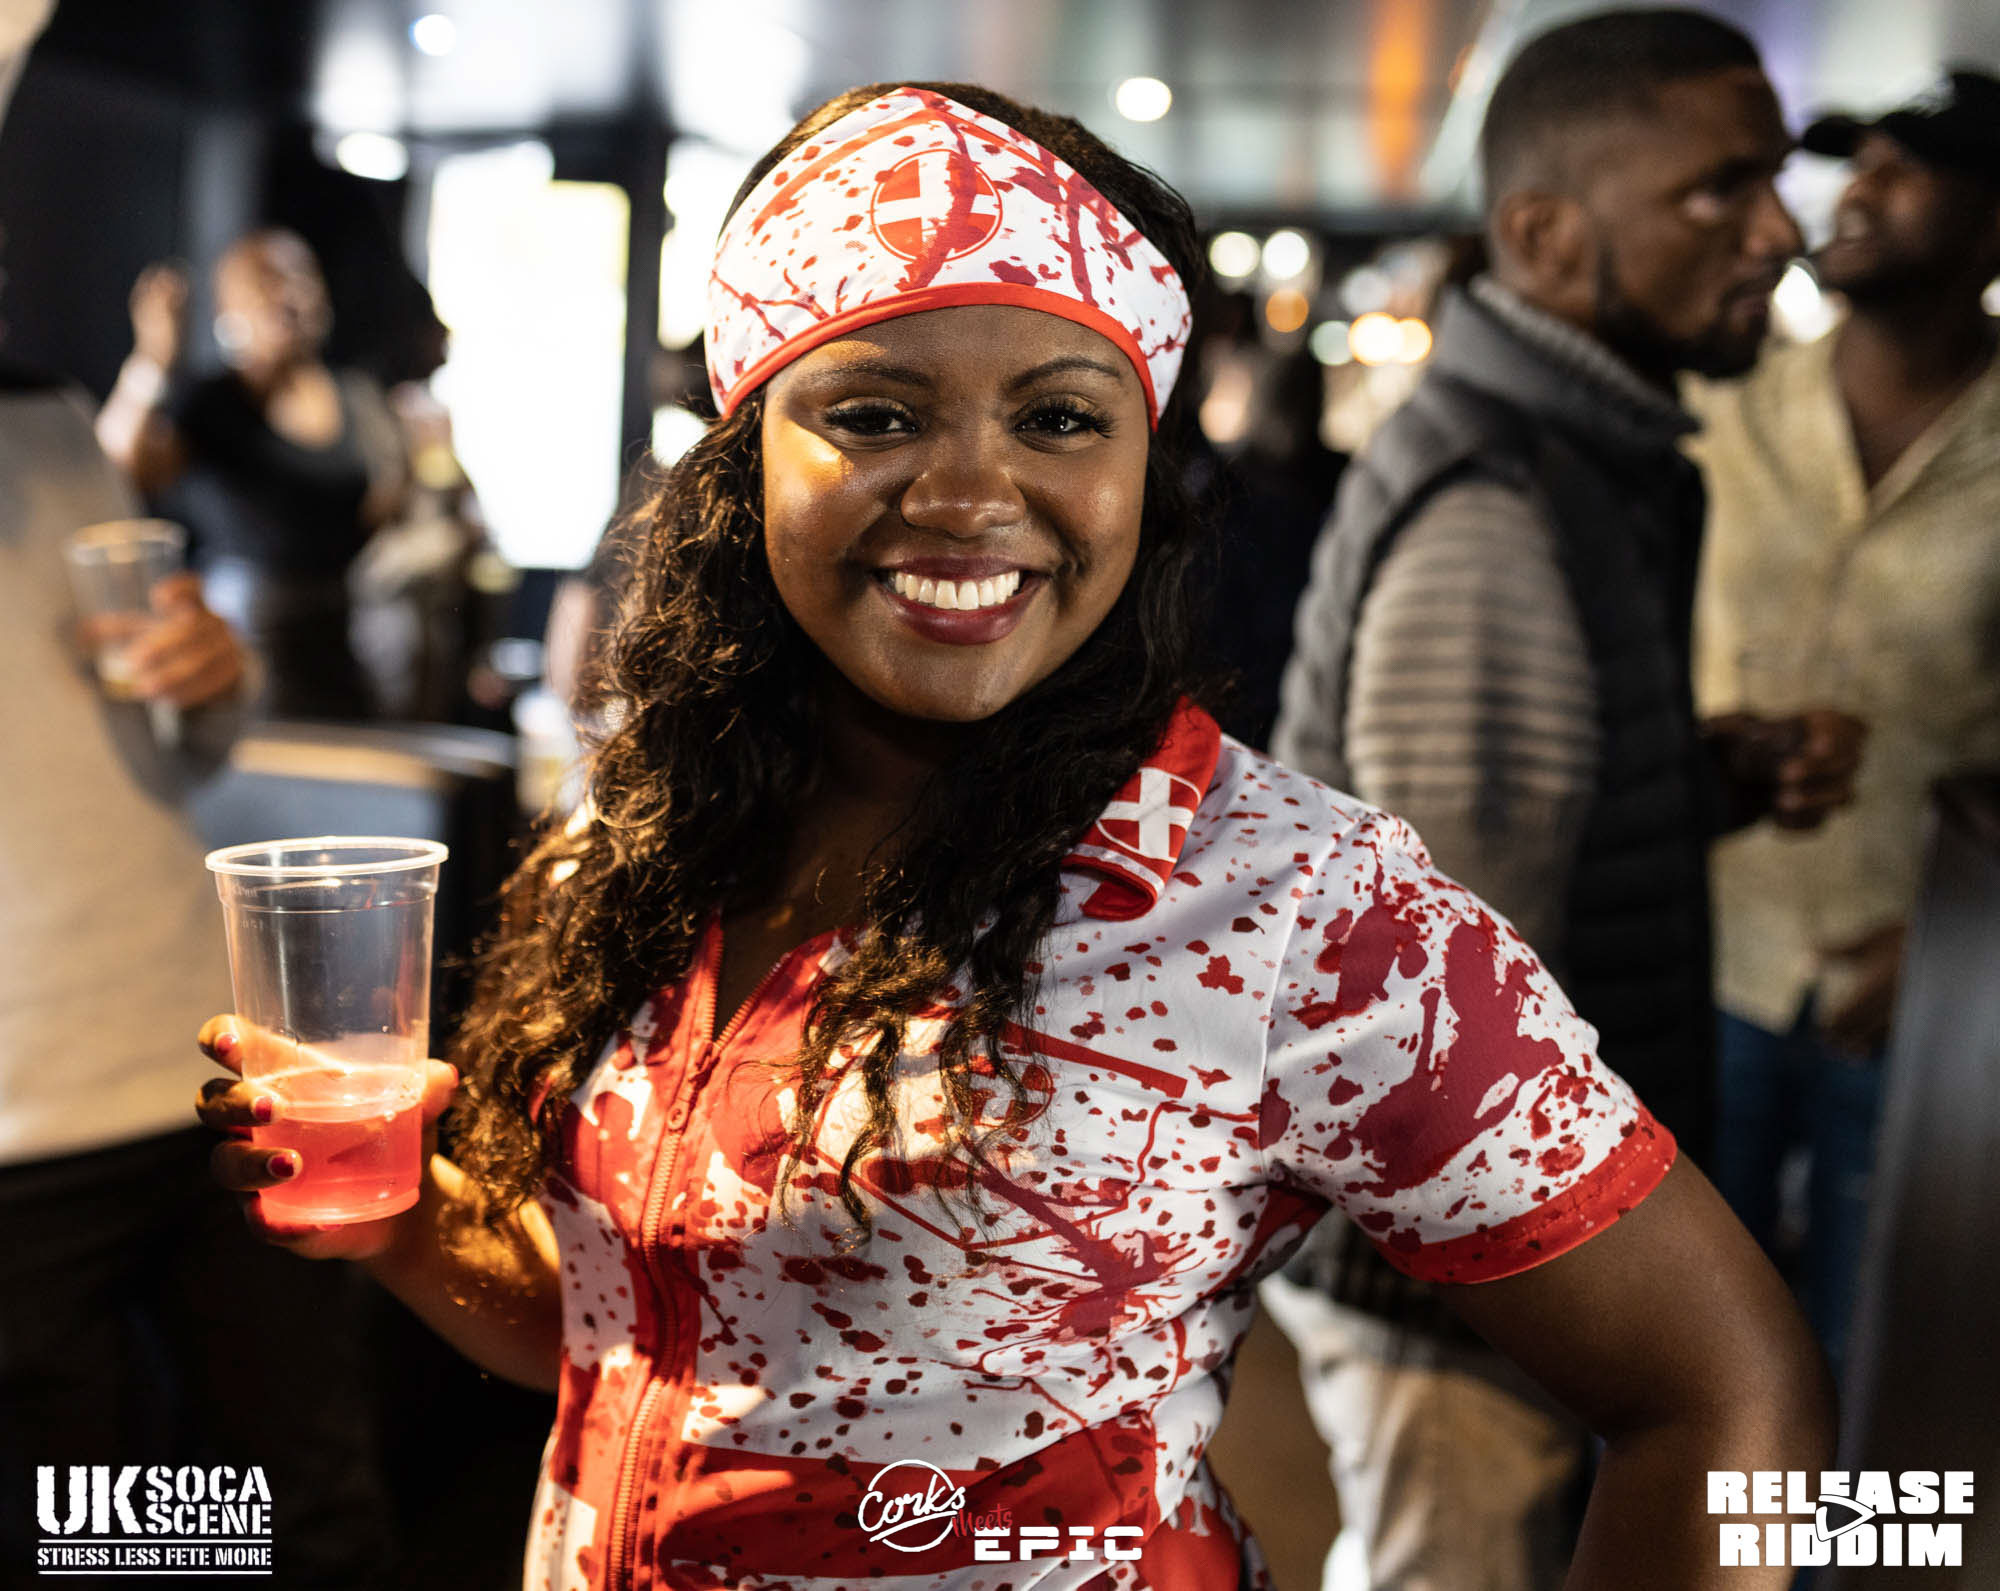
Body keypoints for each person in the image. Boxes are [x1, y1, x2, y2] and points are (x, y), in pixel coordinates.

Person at [197, 81, 1831, 1590]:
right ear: (747, 456)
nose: (971, 492)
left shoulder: (1291, 905)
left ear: (1143, 465)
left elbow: (1723, 1386)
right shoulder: (642, 838)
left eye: (1058, 418)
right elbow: (646, 1329)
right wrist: (405, 1222)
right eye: (875, 414)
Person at [1266, 12, 1862, 1589]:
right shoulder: (1495, 504)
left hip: (1504, 1263)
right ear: (1543, 234)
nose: (1779, 233)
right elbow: (1456, 998)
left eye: (1775, 183)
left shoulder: (1581, 461)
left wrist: (1698, 777)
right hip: (1467, 1287)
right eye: (1717, 191)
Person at [0, 11, 394, 1585]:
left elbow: (176, 743)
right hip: (22, 1121)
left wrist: (208, 674)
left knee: (298, 1497)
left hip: (204, 1062)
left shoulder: (46, 427)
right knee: (103, 1533)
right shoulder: (142, 410)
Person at [1688, 68, 2000, 1381]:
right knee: (1684, 1345)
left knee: (1874, 1351)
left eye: (1905, 167)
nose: (1857, 191)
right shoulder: (1725, 407)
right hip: (1707, 953)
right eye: (1853, 162)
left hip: (1924, 984)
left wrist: (1950, 940)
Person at [96, 228, 404, 720]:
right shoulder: (214, 404)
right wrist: (151, 361)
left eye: (299, 277)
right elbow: (121, 463)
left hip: (347, 632)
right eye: (264, 282)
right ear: (227, 308)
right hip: (248, 640)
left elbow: (385, 501)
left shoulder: (356, 396)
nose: (286, 295)